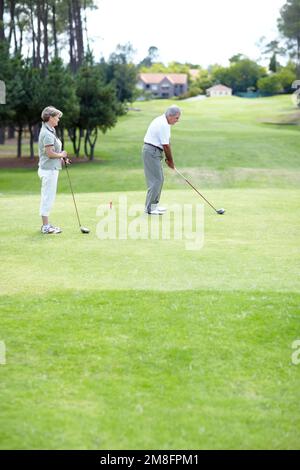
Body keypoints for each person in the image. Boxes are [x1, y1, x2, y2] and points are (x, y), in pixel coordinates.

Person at [142, 105, 181, 215]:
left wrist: (169, 159)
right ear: (170, 115)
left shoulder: (164, 122)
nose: (178, 121)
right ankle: (150, 208)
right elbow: (166, 146)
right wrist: (170, 161)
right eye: (177, 118)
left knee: (160, 179)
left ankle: (154, 206)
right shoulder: (163, 124)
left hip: (154, 152)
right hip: (151, 151)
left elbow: (167, 142)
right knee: (156, 180)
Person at [38, 106, 70, 234]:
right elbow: (50, 153)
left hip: (51, 168)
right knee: (47, 197)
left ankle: (46, 225)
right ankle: (45, 227)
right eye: (57, 117)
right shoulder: (46, 133)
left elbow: (52, 153)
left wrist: (62, 159)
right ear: (50, 118)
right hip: (49, 170)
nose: (58, 120)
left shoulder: (50, 130)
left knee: (49, 196)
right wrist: (61, 155)